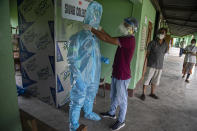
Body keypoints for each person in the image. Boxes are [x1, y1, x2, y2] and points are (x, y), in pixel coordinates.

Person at [84, 17, 138, 130]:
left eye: (126, 25)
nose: (123, 26)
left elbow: (105, 39)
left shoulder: (129, 40)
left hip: (123, 75)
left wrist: (92, 29)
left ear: (132, 29)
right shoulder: (125, 38)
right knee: (113, 95)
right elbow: (108, 37)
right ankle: (112, 113)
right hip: (117, 72)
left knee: (122, 99)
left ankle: (121, 120)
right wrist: (100, 29)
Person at [67, 1, 103, 131]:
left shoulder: (95, 38)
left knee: (90, 96)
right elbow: (71, 59)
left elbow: (93, 55)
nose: (95, 21)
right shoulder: (76, 37)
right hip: (81, 76)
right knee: (77, 101)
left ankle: (88, 113)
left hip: (93, 75)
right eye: (94, 18)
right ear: (87, 18)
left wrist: (102, 59)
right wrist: (78, 77)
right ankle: (73, 125)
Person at [140, 28, 168, 101]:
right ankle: (143, 93)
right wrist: (149, 61)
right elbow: (148, 53)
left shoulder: (165, 44)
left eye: (163, 33)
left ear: (165, 35)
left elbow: (164, 53)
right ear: (157, 33)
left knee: (155, 80)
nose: (161, 34)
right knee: (147, 79)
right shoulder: (152, 42)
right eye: (160, 32)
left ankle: (152, 93)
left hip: (159, 66)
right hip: (151, 65)